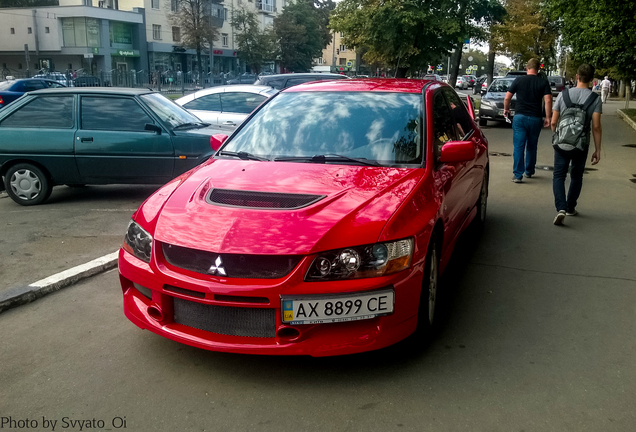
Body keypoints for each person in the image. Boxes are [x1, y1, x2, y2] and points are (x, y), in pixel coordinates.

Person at [550, 63, 602, 226]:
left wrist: (558, 135)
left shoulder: (563, 95)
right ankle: (571, 206)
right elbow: (596, 126)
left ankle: (561, 208)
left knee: (559, 175)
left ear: (577, 77)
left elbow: (553, 122)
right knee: (576, 176)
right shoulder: (595, 99)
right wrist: (597, 149)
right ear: (592, 80)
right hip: (581, 144)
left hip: (562, 142)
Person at [504, 58, 553, 183]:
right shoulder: (543, 82)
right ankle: (529, 171)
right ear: (538, 69)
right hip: (535, 118)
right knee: (532, 146)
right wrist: (548, 117)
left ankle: (518, 175)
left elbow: (507, 97)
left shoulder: (518, 80)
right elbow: (548, 100)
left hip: (520, 117)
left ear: (527, 68)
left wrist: (506, 109)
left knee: (519, 146)